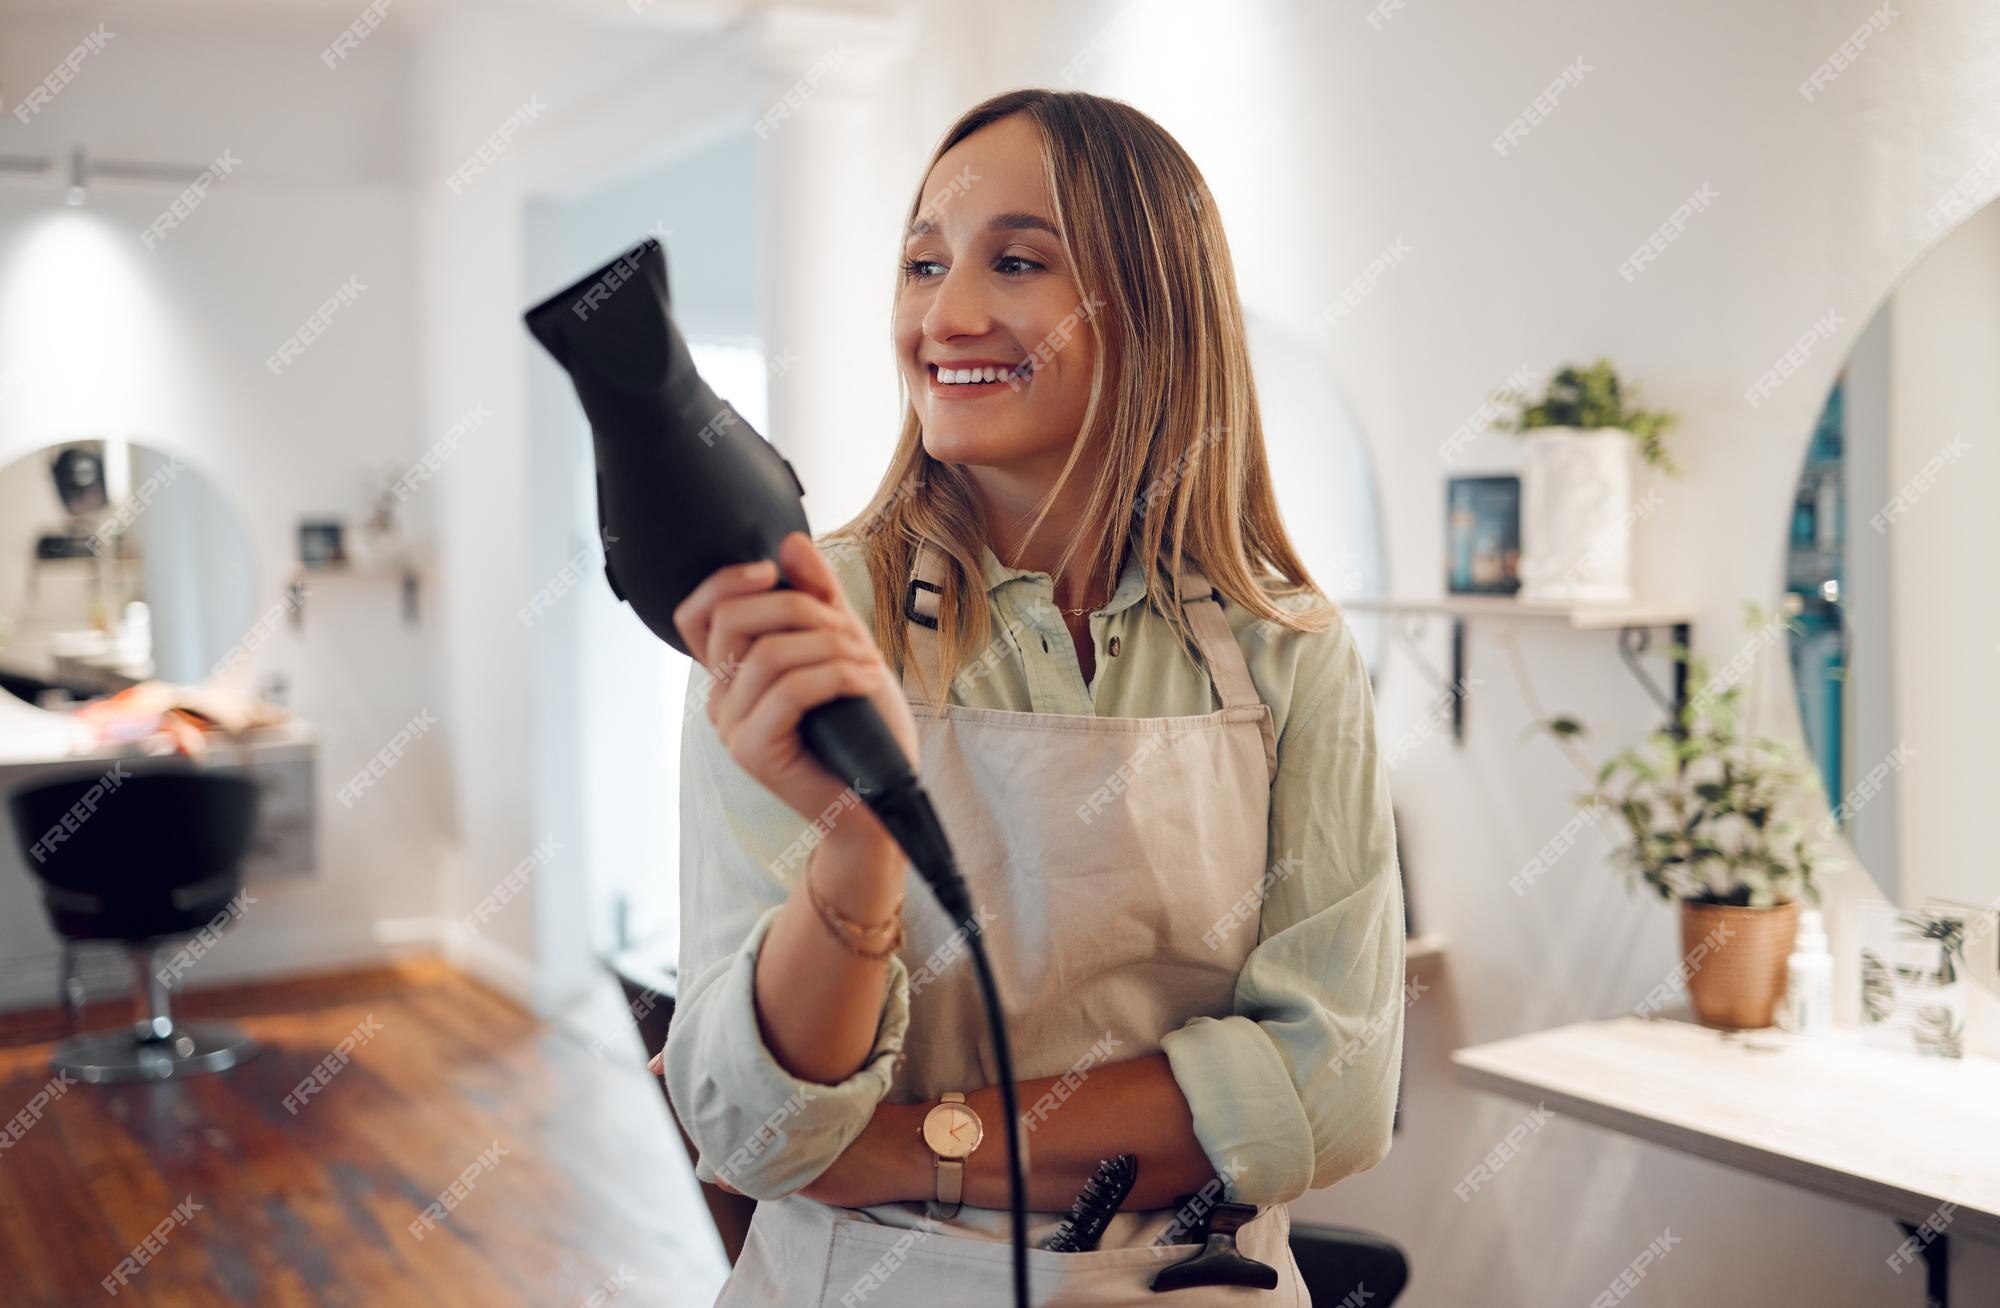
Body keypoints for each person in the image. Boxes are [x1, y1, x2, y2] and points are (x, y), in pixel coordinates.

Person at [654, 87, 1406, 1305]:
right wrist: (856, 850)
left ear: (1153, 306)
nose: (943, 316)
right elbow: (757, 1137)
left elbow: (1335, 1093)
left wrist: (916, 1145)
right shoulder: (806, 627)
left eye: (1016, 261)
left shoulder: (1286, 650)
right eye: (919, 264)